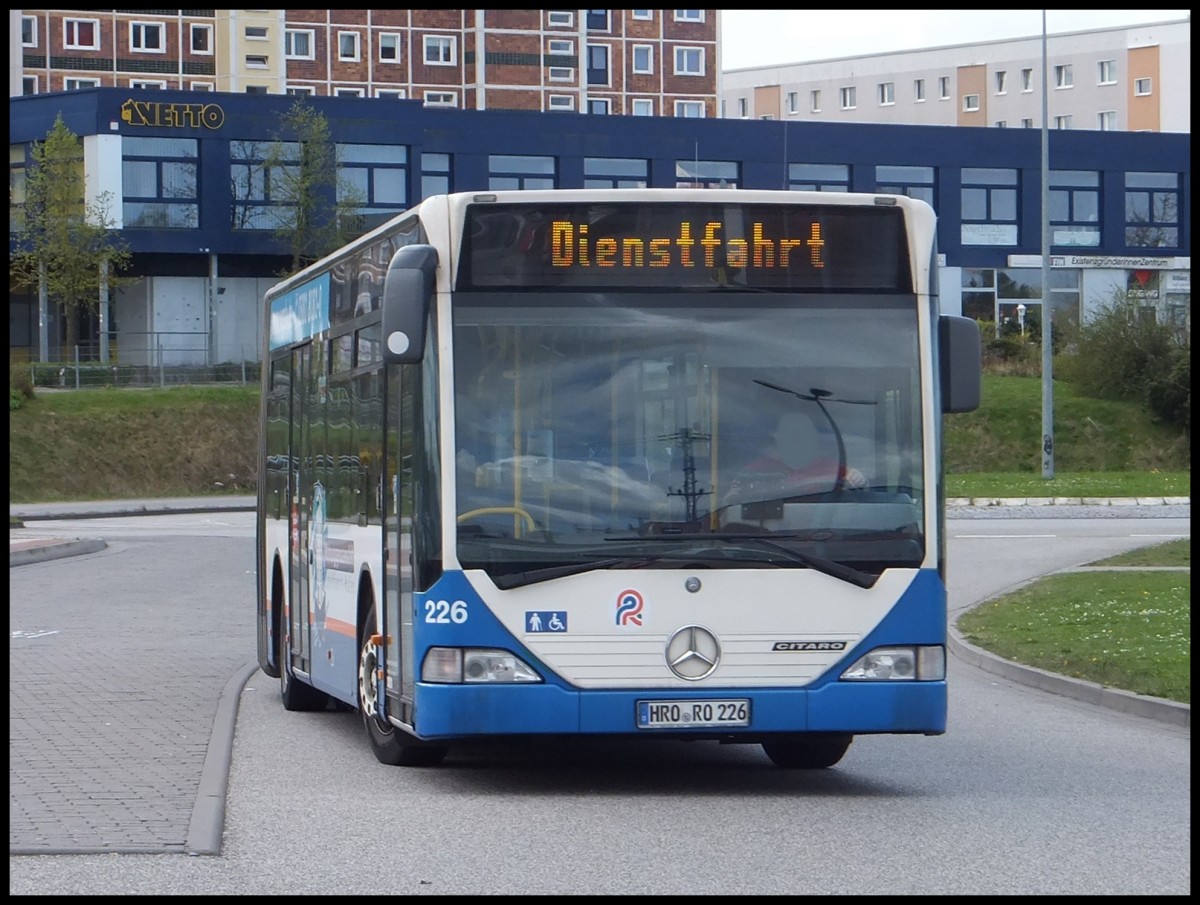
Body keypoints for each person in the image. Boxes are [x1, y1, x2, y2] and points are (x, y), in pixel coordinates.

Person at [727, 410, 867, 500]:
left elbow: (858, 484)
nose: (796, 441)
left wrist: (860, 479)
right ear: (779, 440)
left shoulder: (833, 469)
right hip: (765, 539)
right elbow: (730, 500)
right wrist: (733, 494)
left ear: (813, 440)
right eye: (790, 436)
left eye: (802, 435)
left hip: (822, 535)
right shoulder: (757, 469)